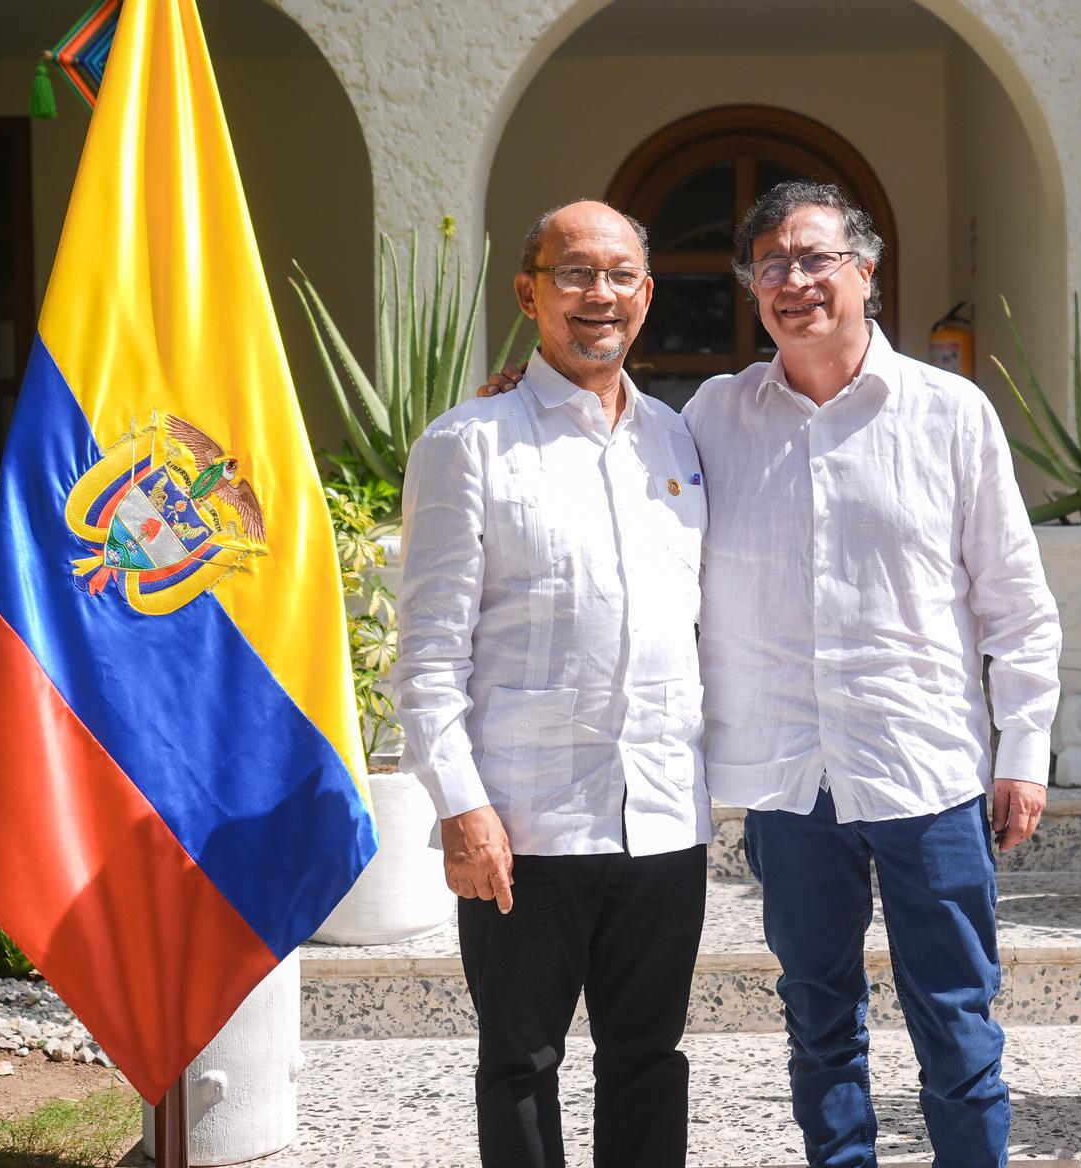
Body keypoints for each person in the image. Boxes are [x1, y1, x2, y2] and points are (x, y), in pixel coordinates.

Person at [684, 181, 1060, 1165]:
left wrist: (1022, 750)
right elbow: (604, 432)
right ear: (752, 290)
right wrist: (519, 394)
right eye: (771, 265)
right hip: (787, 776)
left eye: (815, 257)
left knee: (956, 1019)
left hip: (923, 768)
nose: (794, 280)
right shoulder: (713, 417)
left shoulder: (948, 413)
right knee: (816, 1014)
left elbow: (1014, 602)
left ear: (866, 270)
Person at [394, 199, 709, 1168]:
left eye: (619, 276)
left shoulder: (679, 441)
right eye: (574, 272)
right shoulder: (467, 444)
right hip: (526, 826)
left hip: (662, 817)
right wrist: (462, 808)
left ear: (646, 296)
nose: (598, 296)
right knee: (521, 1062)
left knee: (649, 1061)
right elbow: (428, 655)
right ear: (529, 290)